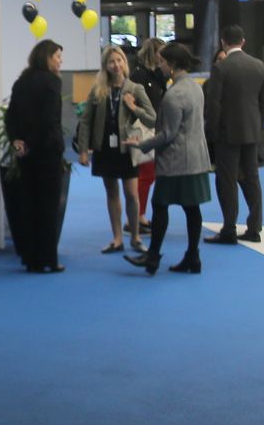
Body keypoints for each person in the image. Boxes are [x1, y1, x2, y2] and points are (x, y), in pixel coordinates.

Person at [128, 43, 211, 275]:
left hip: (176, 162)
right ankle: (193, 257)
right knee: (192, 208)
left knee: (159, 205)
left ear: (172, 65)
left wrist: (141, 145)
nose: (160, 65)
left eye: (163, 61)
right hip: (197, 159)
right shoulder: (196, 88)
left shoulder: (174, 95)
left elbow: (167, 135)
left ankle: (153, 256)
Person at [76, 45, 156, 254]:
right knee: (111, 192)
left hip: (127, 148)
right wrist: (83, 149)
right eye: (111, 61)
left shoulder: (135, 88)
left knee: (131, 193)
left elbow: (152, 118)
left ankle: (136, 237)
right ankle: (117, 238)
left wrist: (133, 107)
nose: (116, 65)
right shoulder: (97, 90)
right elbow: (86, 122)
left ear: (124, 63)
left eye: (119, 60)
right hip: (104, 148)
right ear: (106, 66)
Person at [202, 24, 264, 244]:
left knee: (227, 181)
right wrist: (258, 126)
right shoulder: (259, 66)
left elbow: (214, 105)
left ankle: (229, 228)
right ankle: (254, 227)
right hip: (252, 132)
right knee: (252, 179)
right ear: (243, 41)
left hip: (227, 134)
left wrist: (211, 133)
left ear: (223, 42)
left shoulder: (221, 68)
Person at [5, 39, 67, 273]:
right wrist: (31, 142)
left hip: (26, 153)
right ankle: (49, 259)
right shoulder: (52, 82)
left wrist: (18, 141)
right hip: (47, 151)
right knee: (48, 207)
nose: (60, 61)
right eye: (58, 56)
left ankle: (31, 259)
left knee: (29, 205)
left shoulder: (21, 81)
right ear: (47, 57)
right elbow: (47, 120)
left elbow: (11, 116)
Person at [129, 37, 169, 237]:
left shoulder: (158, 76)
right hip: (142, 129)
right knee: (146, 175)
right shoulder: (139, 75)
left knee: (148, 175)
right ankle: (137, 216)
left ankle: (139, 215)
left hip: (155, 129)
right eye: (161, 53)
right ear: (153, 53)